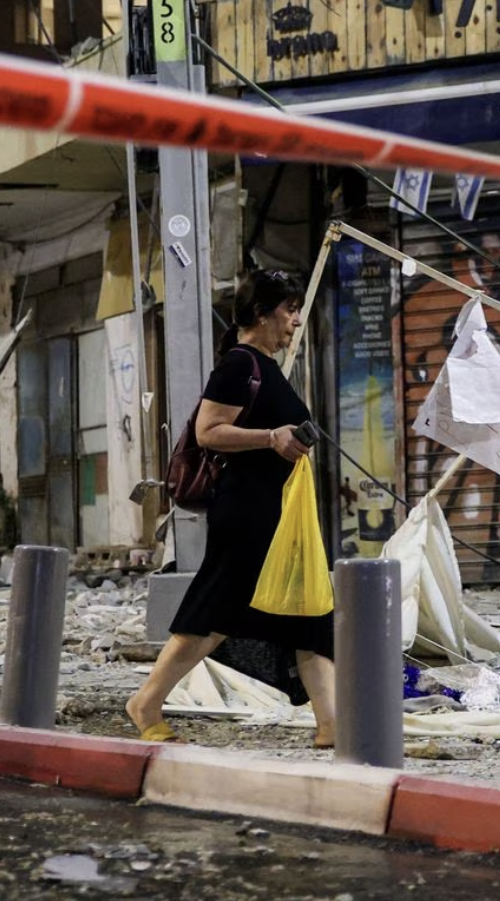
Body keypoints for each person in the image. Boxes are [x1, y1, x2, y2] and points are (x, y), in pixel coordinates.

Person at [126, 270, 336, 747]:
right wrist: (271, 437)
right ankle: (146, 702)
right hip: (247, 513)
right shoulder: (240, 364)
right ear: (261, 314)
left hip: (279, 515)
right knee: (216, 613)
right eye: (289, 311)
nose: (295, 321)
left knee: (311, 615)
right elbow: (208, 431)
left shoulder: (265, 364)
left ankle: (333, 726)